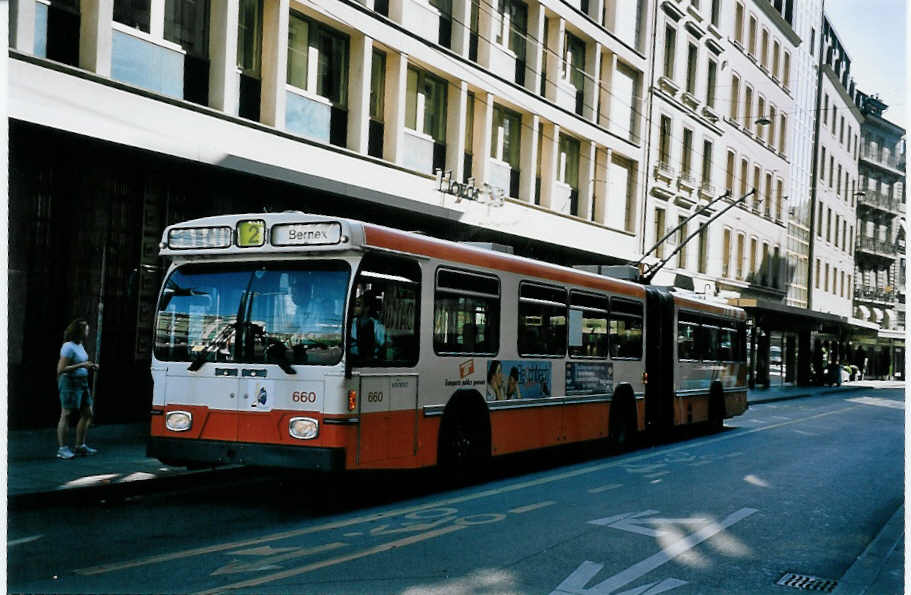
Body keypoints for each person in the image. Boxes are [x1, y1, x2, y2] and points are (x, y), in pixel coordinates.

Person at [56, 318, 100, 459]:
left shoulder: (80, 345)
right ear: (79, 331)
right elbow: (61, 369)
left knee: (88, 413)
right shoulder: (68, 346)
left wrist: (90, 365)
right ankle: (62, 449)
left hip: (82, 383)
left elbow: (81, 361)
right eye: (86, 329)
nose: (88, 331)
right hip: (70, 383)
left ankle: (80, 445)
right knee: (66, 414)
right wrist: (82, 366)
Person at [350, 291, 386, 359]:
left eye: (358, 305)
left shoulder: (377, 326)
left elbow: (383, 347)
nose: (354, 308)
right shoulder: (351, 324)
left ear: (366, 308)